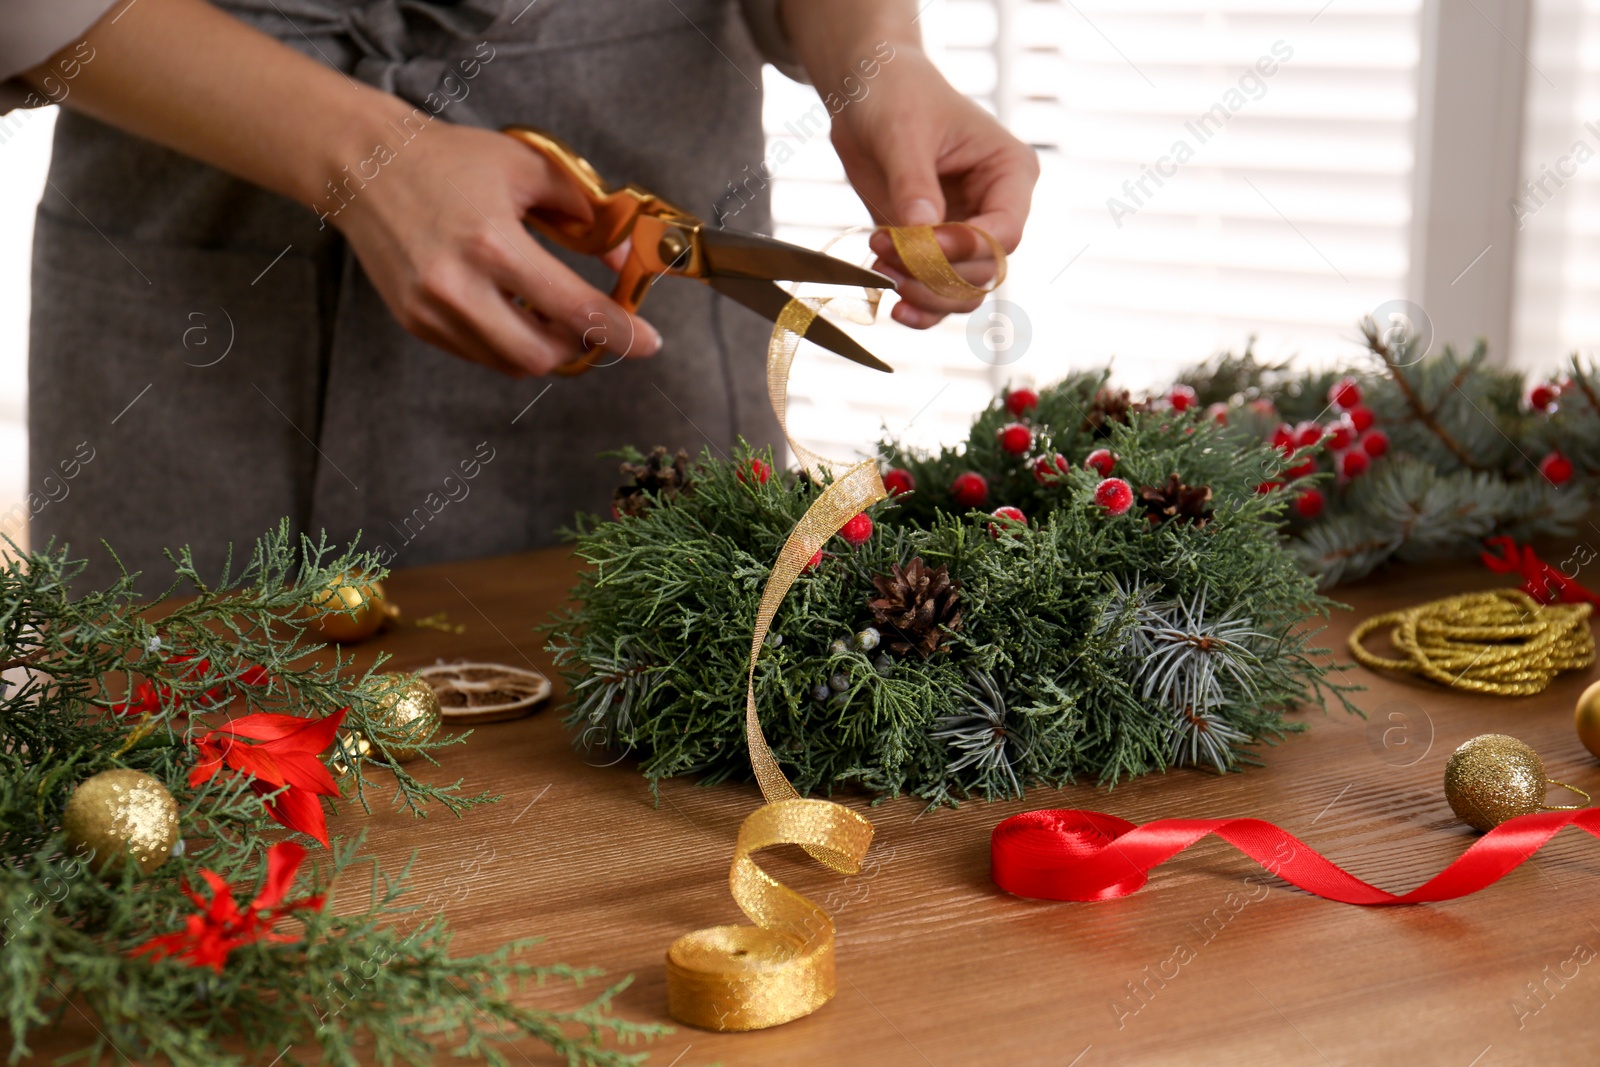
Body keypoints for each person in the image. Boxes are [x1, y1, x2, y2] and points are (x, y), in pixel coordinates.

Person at [4, 0, 1038, 588]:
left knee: (652, 778)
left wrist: (877, 56)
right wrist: (364, 158)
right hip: (199, 266)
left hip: (650, 279)